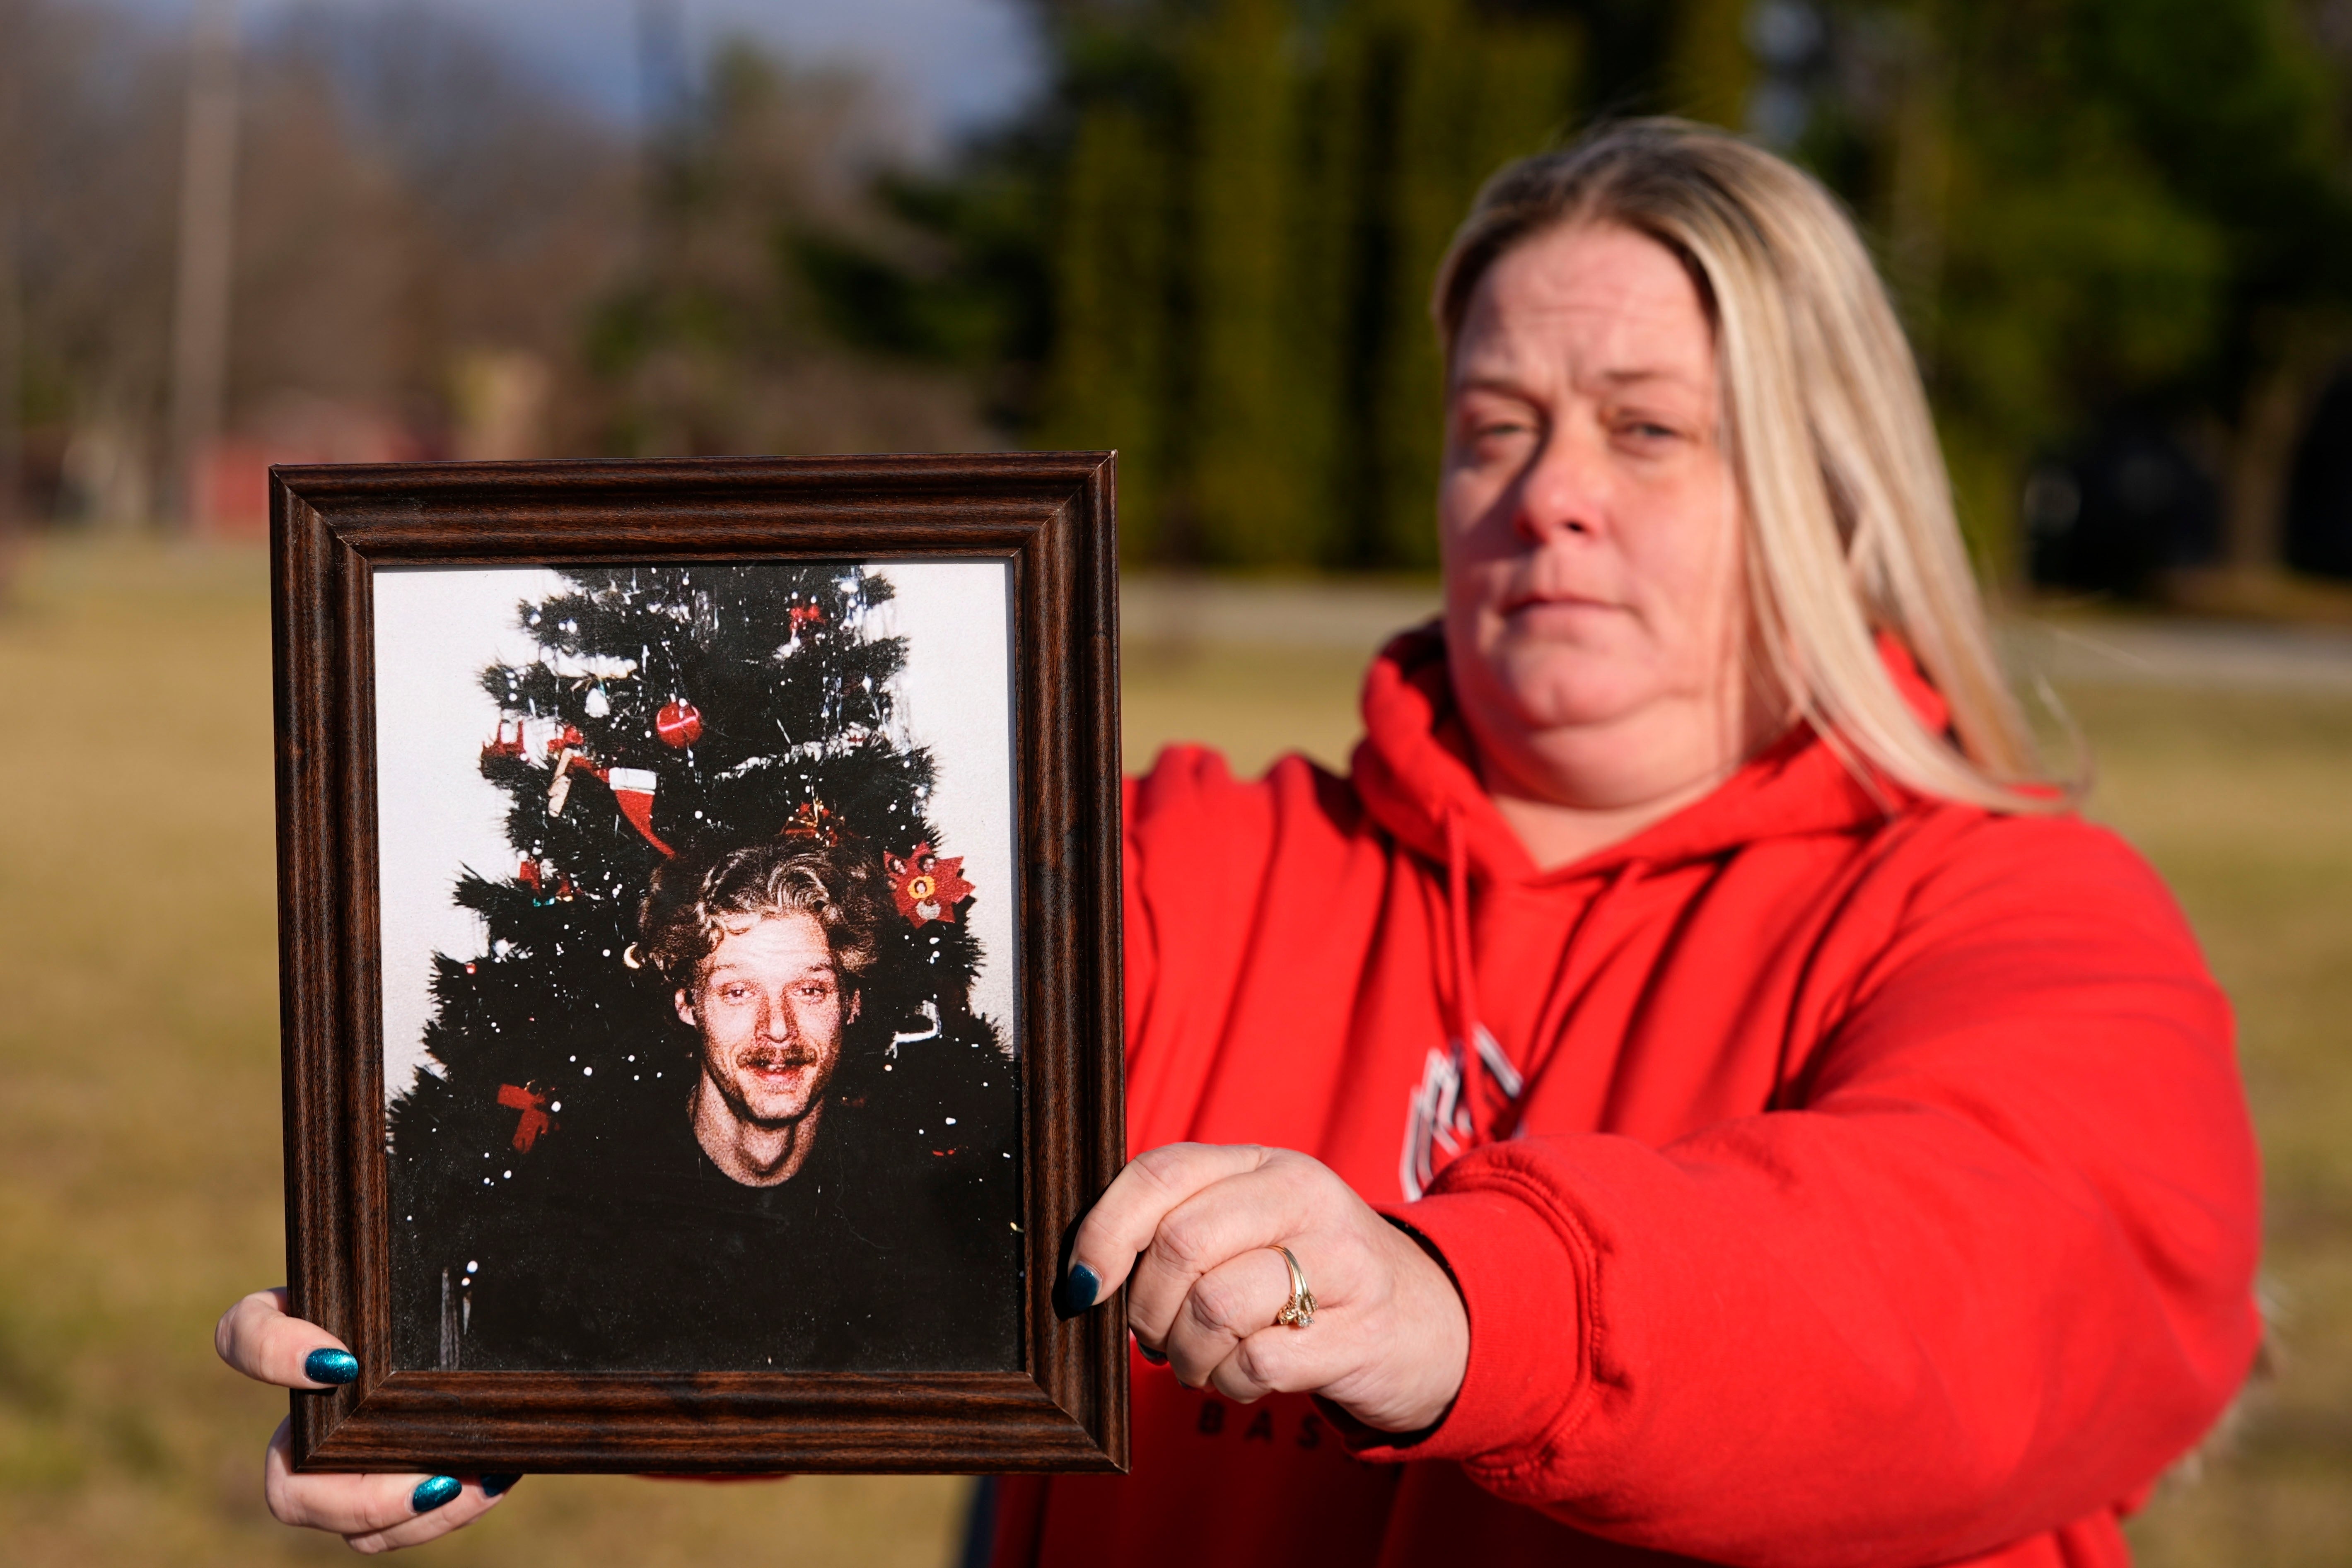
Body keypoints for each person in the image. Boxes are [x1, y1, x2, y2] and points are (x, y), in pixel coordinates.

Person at [215, 119, 2261, 1563]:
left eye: (1644, 426)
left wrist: (1465, 1306)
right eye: (1492, 425)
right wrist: (500, 1328)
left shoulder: (2006, 905)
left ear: (1829, 491)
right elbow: (855, 1211)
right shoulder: (1184, 868)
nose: (1544, 494)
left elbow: (1994, 1291)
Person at [404, 834, 1018, 1374]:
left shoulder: (922, 1226)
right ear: (687, 1004)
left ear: (851, 1004)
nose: (776, 1030)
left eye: (809, 989)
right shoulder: (568, 1218)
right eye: (735, 990)